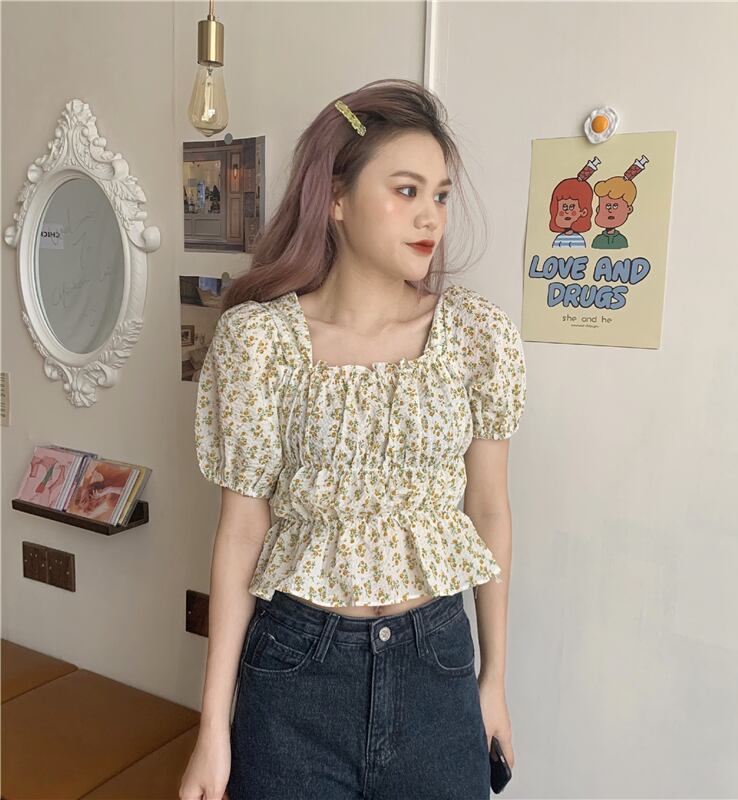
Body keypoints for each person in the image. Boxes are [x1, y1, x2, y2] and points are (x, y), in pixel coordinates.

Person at [180, 78, 527, 800]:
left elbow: (489, 509)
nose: (431, 216)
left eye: (440, 194)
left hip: (436, 668)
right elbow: (241, 533)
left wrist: (493, 682)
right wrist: (214, 726)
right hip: (295, 672)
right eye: (406, 190)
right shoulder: (258, 343)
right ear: (335, 197)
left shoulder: (475, 335)